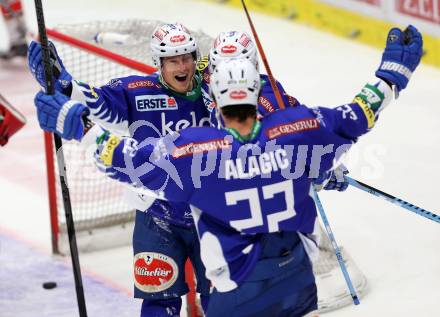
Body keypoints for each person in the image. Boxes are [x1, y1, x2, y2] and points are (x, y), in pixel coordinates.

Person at [33, 25, 423, 316]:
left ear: (213, 91)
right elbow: (355, 114)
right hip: (295, 284)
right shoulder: (297, 132)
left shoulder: (199, 153)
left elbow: (128, 160)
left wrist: (78, 125)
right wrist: (391, 77)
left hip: (236, 286)